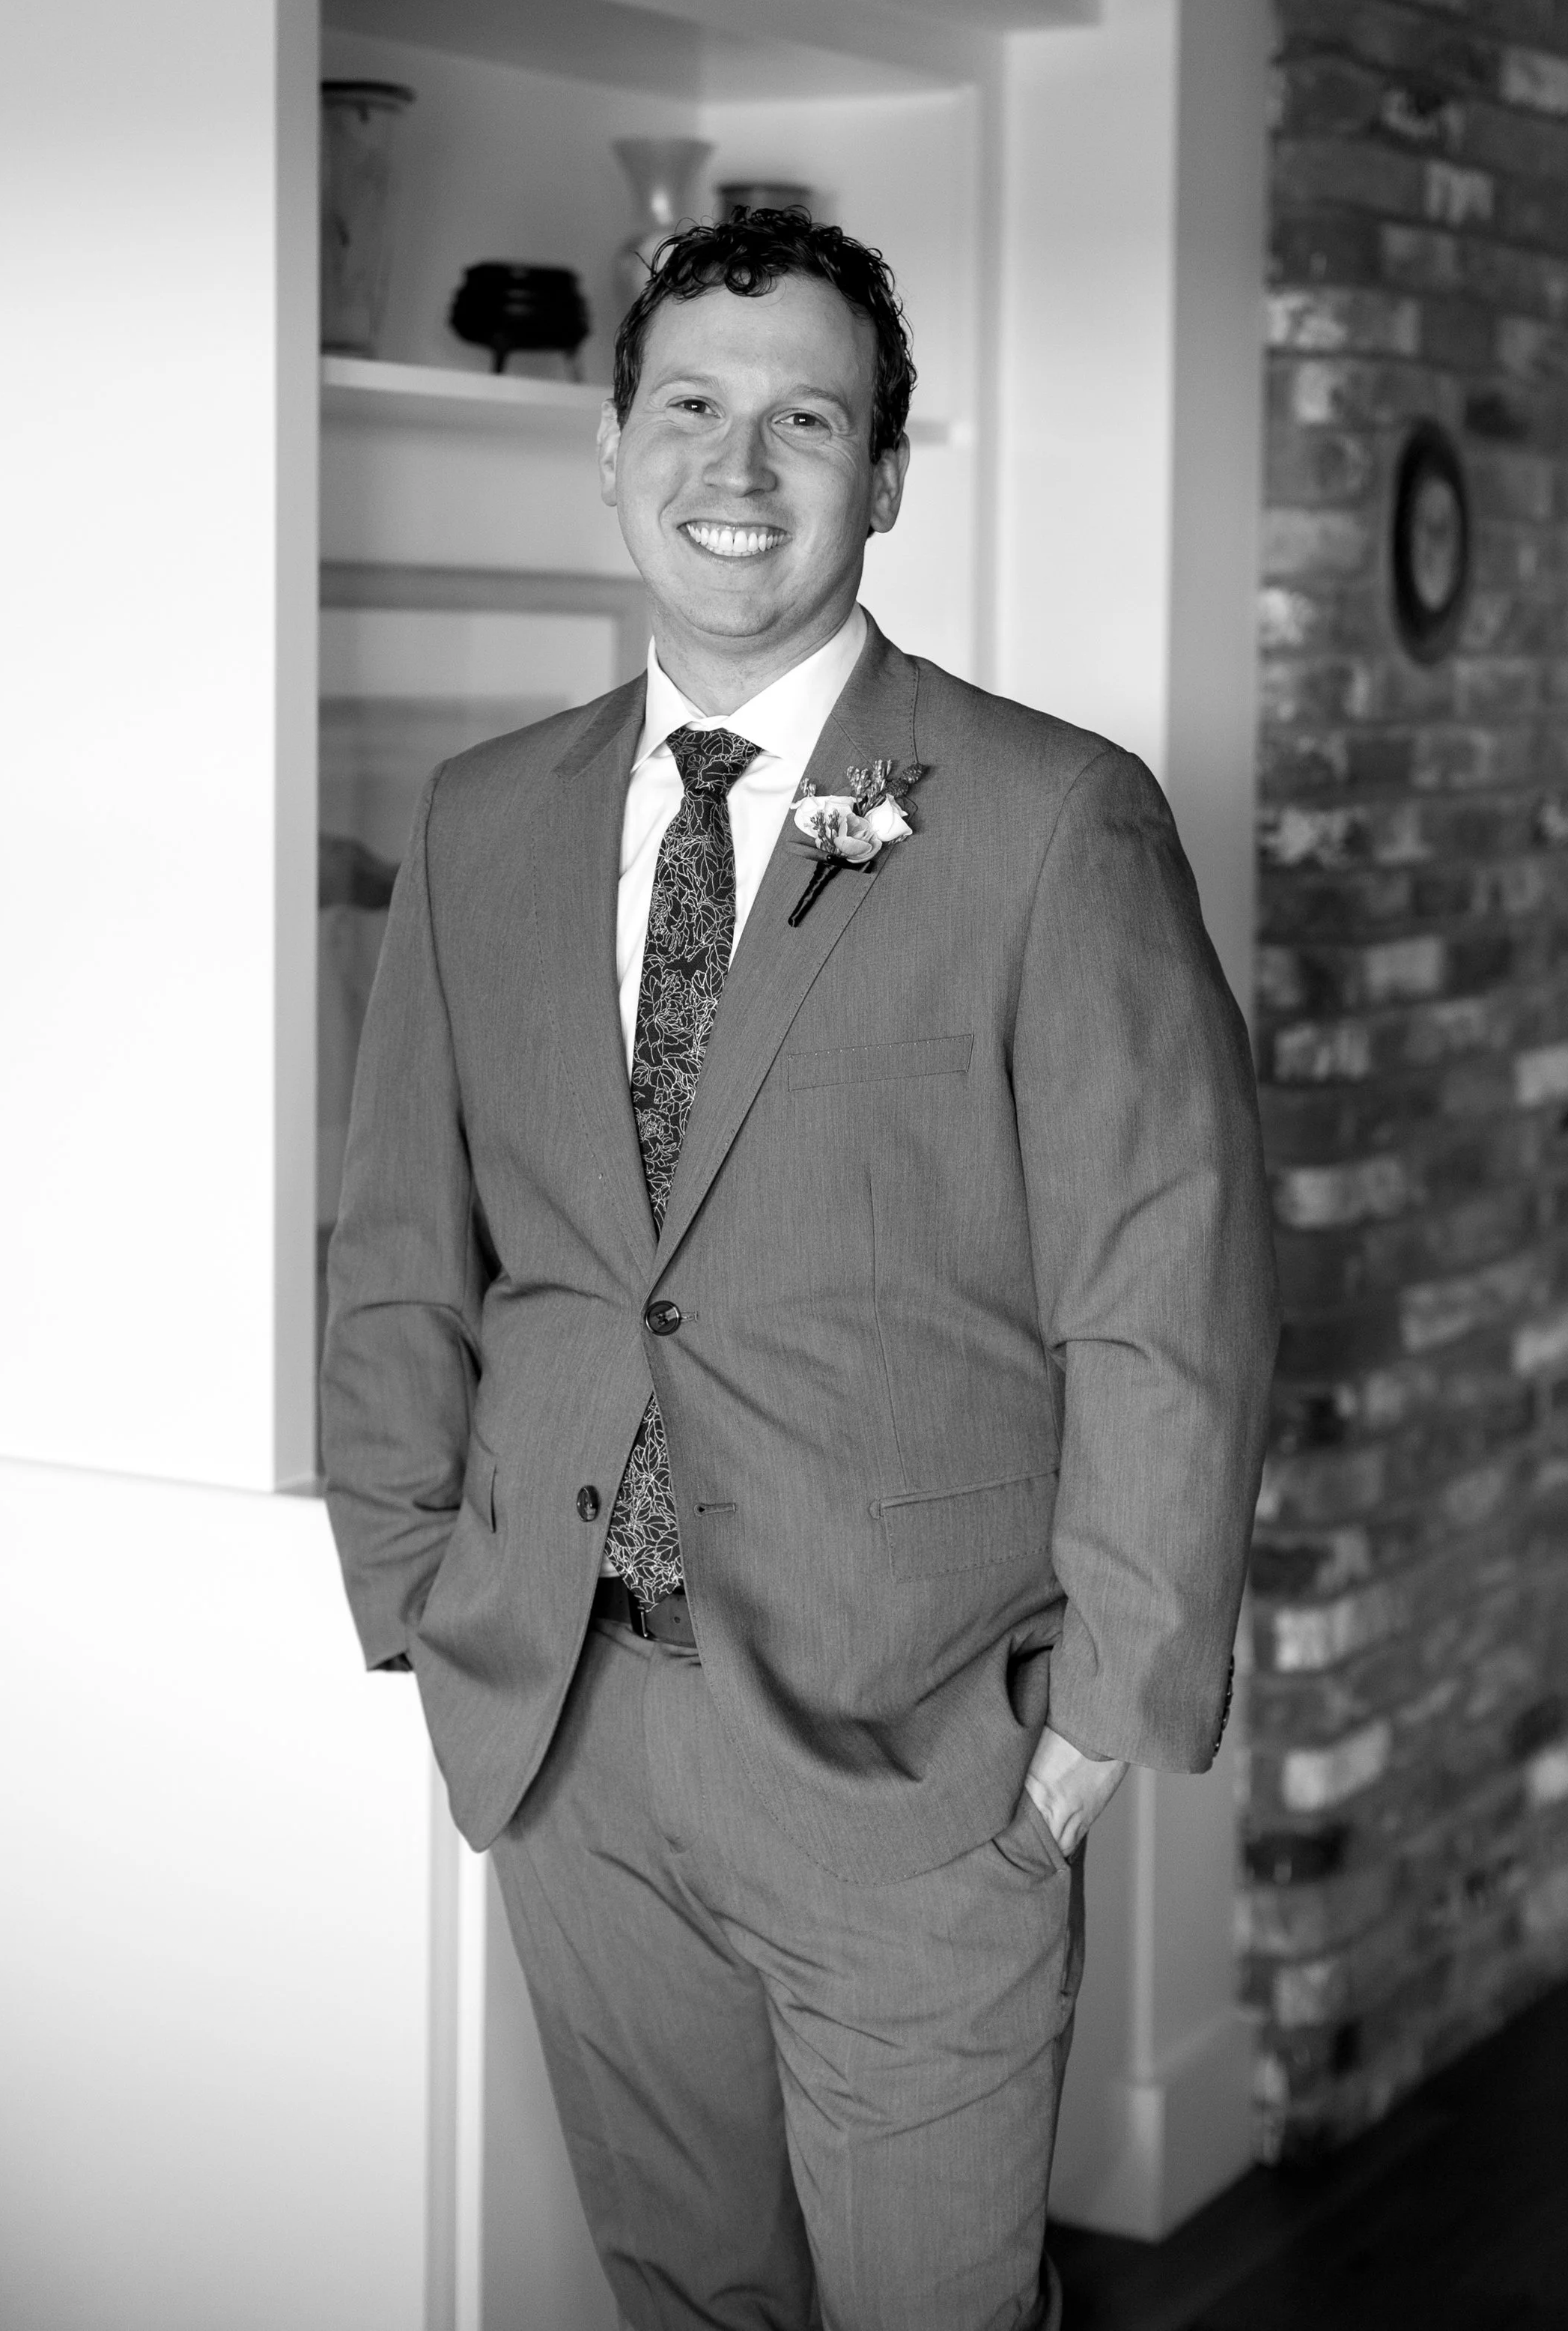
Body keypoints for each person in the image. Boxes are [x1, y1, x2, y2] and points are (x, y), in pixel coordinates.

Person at [320, 210, 1277, 2331]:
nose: (735, 468)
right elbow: (400, 1246)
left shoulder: (1051, 819)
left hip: (919, 1760)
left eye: (806, 420)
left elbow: (1167, 1287)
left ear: (887, 476)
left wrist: (1088, 1737)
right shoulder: (482, 819)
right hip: (571, 1729)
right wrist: (417, 1597)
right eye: (689, 406)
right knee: (684, 2294)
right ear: (611, 449)